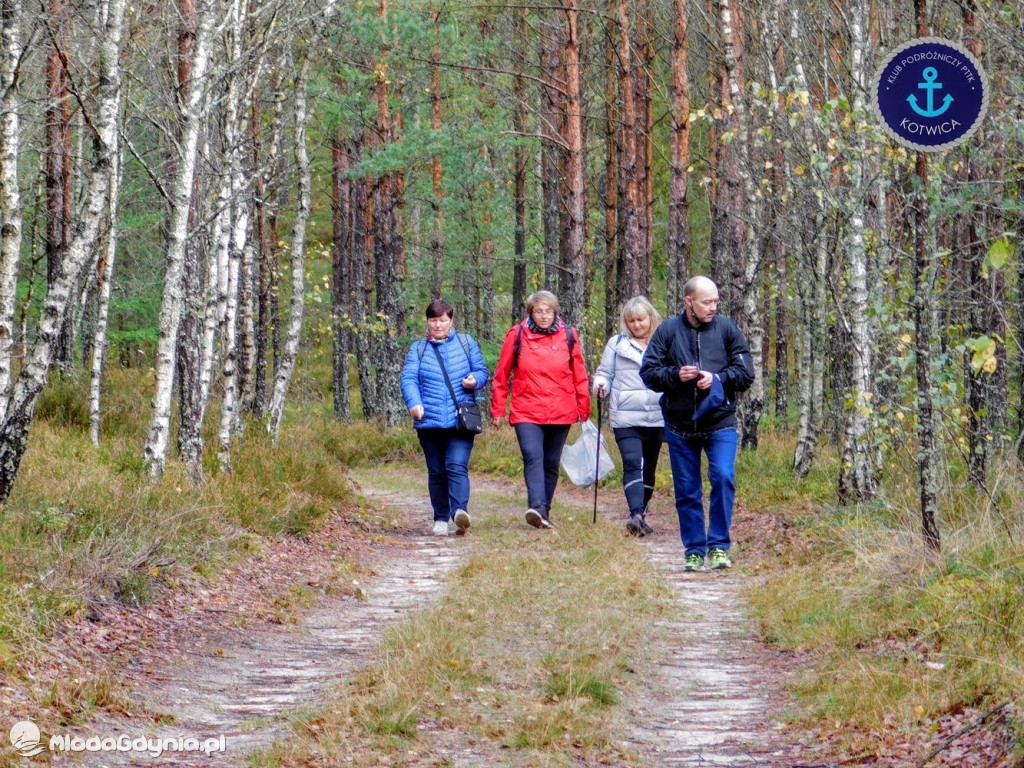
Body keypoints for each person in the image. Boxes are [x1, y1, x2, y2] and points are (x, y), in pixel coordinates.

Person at [639, 276, 754, 571]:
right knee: (687, 489)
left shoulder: (727, 329)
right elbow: (649, 373)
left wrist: (717, 379)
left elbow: (745, 373)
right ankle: (693, 550)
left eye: (716, 301)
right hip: (679, 425)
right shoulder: (667, 331)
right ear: (689, 301)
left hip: (720, 421)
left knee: (723, 477)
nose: (713, 307)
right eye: (707, 302)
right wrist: (676, 376)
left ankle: (718, 547)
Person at [490, 290, 590, 529]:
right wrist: (497, 409)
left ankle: (543, 511)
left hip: (561, 408)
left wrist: (584, 409)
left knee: (551, 462)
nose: (544, 316)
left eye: (548, 311)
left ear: (555, 312)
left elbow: (580, 374)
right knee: (533, 455)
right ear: (530, 313)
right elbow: (501, 374)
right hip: (527, 408)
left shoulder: (568, 335)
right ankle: (536, 506)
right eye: (538, 311)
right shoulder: (517, 335)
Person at [401, 299, 490, 537]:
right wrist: (414, 402)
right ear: (427, 322)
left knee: (456, 466)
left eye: (442, 320)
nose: (438, 325)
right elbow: (408, 378)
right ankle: (440, 517)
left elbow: (482, 371)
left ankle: (460, 512)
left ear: (451, 321)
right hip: (428, 420)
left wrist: (475, 380)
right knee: (437, 470)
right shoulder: (418, 349)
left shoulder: (466, 343)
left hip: (460, 419)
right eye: (433, 320)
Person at [592, 296, 665, 537]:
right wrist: (601, 385)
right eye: (631, 320)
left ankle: (641, 512)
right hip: (625, 415)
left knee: (650, 467)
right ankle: (635, 514)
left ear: (650, 318)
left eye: (641, 319)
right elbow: (605, 372)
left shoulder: (664, 341)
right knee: (633, 463)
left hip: (656, 415)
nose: (637, 325)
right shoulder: (617, 344)